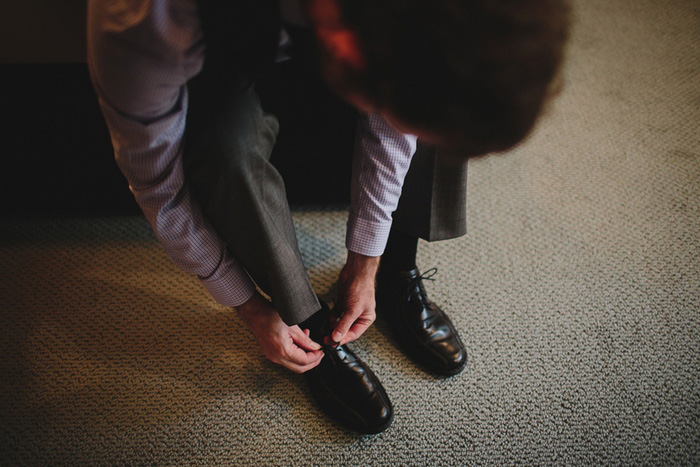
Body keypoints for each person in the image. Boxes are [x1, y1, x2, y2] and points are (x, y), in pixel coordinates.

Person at [88, 0, 570, 434]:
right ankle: (308, 324)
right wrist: (248, 307)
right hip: (217, 48)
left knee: (454, 94)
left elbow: (402, 113)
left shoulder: (410, 25)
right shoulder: (146, 19)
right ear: (345, 47)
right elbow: (159, 188)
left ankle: (395, 271)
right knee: (224, 145)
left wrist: (368, 259)